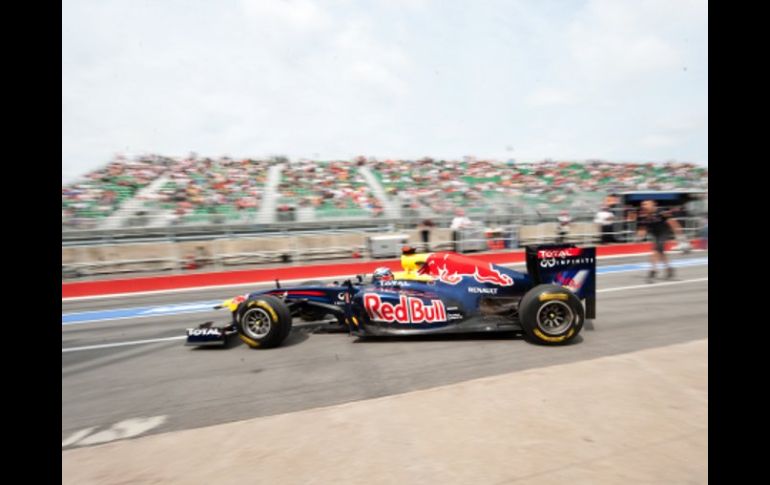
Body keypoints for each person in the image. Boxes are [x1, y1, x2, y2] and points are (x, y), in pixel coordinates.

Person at [636, 200, 686, 282]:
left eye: (646, 204)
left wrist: (680, 237)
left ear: (653, 204)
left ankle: (653, 271)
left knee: (656, 250)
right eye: (642, 204)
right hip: (655, 235)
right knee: (661, 252)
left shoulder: (661, 212)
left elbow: (673, 223)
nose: (644, 206)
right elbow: (642, 228)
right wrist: (639, 236)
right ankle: (669, 269)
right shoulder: (643, 216)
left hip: (664, 233)